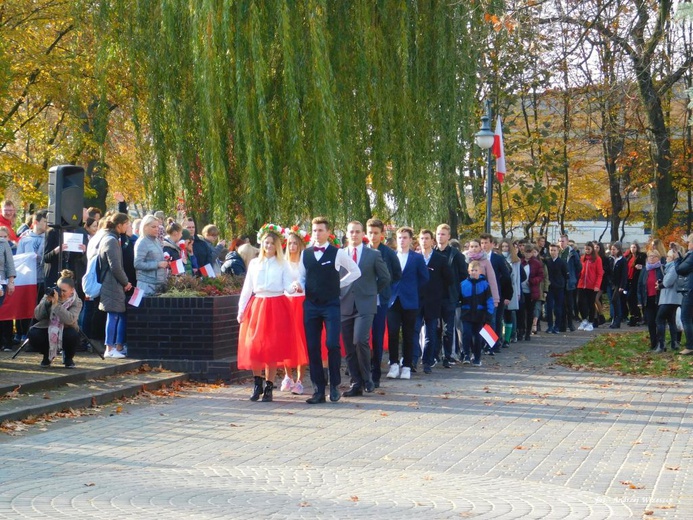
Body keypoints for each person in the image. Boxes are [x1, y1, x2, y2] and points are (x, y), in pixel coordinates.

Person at [298, 217, 360, 404]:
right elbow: (301, 277)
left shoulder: (337, 253)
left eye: (320, 230)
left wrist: (338, 284)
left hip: (331, 304)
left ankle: (334, 385)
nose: (317, 233)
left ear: (328, 232)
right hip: (311, 305)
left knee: (332, 344)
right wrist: (298, 286)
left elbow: (355, 271)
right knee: (313, 346)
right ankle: (318, 389)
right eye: (314, 230)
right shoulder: (305, 254)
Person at [237, 228, 299, 402]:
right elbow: (247, 288)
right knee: (254, 346)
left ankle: (270, 386)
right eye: (266, 242)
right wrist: (241, 309)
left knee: (271, 348)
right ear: (262, 244)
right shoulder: (255, 263)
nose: (269, 245)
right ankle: (257, 384)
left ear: (277, 246)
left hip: (276, 304)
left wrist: (295, 286)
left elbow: (287, 285)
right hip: (257, 305)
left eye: (272, 243)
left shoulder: (282, 263)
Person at [340, 221, 390, 396]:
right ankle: (356, 383)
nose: (354, 235)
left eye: (357, 232)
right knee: (348, 346)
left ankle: (367, 378)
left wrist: (372, 291)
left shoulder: (373, 254)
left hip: (365, 305)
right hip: (345, 304)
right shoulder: (340, 255)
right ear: (347, 234)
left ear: (363, 235)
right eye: (351, 232)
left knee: (360, 340)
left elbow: (385, 277)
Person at [386, 227, 428, 380]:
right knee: (392, 332)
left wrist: (413, 290)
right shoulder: (392, 256)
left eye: (405, 237)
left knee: (409, 334)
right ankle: (394, 364)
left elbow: (424, 277)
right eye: (399, 237)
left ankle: (407, 365)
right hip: (393, 299)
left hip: (410, 300)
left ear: (411, 240)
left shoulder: (416, 258)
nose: (402, 240)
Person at [366, 218, 401, 388]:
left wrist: (383, 287)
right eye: (370, 233)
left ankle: (376, 374)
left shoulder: (388, 253)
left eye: (376, 233)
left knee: (377, 337)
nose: (373, 236)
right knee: (361, 337)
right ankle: (362, 373)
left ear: (382, 235)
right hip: (362, 299)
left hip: (380, 300)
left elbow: (396, 274)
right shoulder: (362, 251)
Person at [28, 270, 82, 368]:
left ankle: (68, 357)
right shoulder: (50, 295)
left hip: (66, 329)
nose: (61, 293)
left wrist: (56, 305)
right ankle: (46, 356)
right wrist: (47, 303)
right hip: (47, 327)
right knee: (34, 334)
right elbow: (38, 316)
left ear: (71, 291)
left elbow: (70, 320)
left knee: (72, 335)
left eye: (64, 291)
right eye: (59, 289)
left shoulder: (76, 302)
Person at [280, 230, 310, 395]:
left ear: (300, 245)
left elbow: (307, 279)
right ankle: (287, 375)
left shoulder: (304, 262)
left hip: (301, 301)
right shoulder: (282, 262)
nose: (292, 246)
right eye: (290, 243)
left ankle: (300, 380)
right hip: (286, 301)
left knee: (301, 339)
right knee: (286, 338)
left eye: (295, 243)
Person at [98, 213, 133, 358]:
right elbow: (115, 266)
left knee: (115, 315)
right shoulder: (111, 241)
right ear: (119, 225)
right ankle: (109, 348)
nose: (128, 226)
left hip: (113, 282)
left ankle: (113, 347)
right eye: (126, 224)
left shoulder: (111, 238)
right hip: (112, 283)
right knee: (112, 315)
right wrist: (126, 282)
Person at [416, 229, 451, 373]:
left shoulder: (440, 259)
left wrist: (438, 292)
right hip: (416, 300)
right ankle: (413, 359)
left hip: (433, 301)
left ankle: (427, 361)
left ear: (432, 241)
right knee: (414, 331)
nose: (424, 241)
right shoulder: (414, 257)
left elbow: (449, 279)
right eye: (422, 238)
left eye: (427, 238)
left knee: (431, 332)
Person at [436, 224, 468, 365]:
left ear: (448, 237)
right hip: (434, 296)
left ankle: (448, 355)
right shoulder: (432, 253)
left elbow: (463, 275)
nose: (440, 236)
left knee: (449, 328)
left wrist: (458, 294)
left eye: (443, 234)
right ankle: (434, 354)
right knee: (434, 327)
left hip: (450, 295)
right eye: (438, 234)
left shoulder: (456, 255)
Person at [459, 261, 494, 366]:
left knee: (478, 337)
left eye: (476, 270)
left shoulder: (485, 285)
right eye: (472, 270)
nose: (473, 272)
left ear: (480, 271)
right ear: (468, 271)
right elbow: (458, 298)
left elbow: (489, 300)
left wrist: (489, 314)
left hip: (480, 315)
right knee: (466, 334)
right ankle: (466, 354)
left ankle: (477, 356)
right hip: (467, 314)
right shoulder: (463, 284)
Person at [655, 249, 682, 352]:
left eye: (668, 256)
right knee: (671, 320)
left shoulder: (673, 267)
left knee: (659, 319)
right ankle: (674, 343)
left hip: (670, 298)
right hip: (672, 298)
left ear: (671, 258)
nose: (666, 258)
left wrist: (660, 285)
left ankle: (661, 344)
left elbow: (668, 282)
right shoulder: (671, 267)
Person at [134, 215, 169, 296]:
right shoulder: (142, 242)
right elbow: (137, 264)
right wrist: (157, 264)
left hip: (157, 284)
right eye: (153, 227)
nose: (157, 229)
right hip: (146, 286)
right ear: (145, 227)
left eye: (157, 227)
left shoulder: (156, 240)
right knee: (144, 308)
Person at [637, 250, 665, 351]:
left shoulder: (661, 269)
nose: (652, 258)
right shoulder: (645, 270)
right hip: (647, 299)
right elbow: (640, 286)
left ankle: (660, 343)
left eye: (654, 256)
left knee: (659, 322)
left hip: (659, 299)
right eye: (650, 256)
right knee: (650, 322)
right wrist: (639, 301)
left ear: (658, 258)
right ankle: (653, 343)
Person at [577, 242, 604, 332]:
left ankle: (591, 322)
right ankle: (584, 319)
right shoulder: (582, 258)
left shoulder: (597, 259)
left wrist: (597, 285)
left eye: (589, 249)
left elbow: (600, 273)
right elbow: (580, 270)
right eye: (586, 249)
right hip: (581, 284)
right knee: (580, 302)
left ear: (592, 249)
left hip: (592, 285)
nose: (587, 251)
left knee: (591, 303)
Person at [500, 239, 521, 348]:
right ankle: (499, 337)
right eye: (502, 247)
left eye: (506, 247)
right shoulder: (498, 258)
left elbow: (517, 278)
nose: (504, 249)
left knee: (509, 314)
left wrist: (518, 293)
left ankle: (507, 339)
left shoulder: (515, 260)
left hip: (511, 288)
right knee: (499, 315)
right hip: (500, 288)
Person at [521, 244, 545, 340]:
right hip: (521, 290)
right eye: (526, 252)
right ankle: (521, 330)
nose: (528, 254)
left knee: (530, 312)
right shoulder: (520, 262)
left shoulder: (536, 263)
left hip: (532, 290)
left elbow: (541, 276)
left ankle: (528, 332)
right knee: (521, 312)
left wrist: (533, 281)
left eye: (529, 252)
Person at [559, 234, 582, 332]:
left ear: (567, 241)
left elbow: (579, 267)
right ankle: (562, 324)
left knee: (569, 304)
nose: (561, 243)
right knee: (561, 304)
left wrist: (572, 276)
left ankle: (570, 323)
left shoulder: (572, 253)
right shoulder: (557, 252)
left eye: (563, 241)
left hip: (570, 282)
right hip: (560, 282)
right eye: (560, 241)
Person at [545, 243, 568, 334]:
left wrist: (562, 283)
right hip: (550, 288)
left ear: (558, 251)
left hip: (559, 288)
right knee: (549, 307)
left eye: (554, 250)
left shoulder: (562, 262)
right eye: (551, 250)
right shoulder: (547, 261)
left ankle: (557, 326)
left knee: (558, 308)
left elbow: (565, 274)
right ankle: (550, 325)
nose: (553, 252)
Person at [676, 236, 693, 356]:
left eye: (689, 242)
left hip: (690, 289)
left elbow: (680, 269)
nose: (687, 244)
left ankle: (690, 346)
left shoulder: (692, 255)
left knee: (686, 318)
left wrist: (677, 259)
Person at [608, 242, 628, 329]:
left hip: (619, 284)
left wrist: (622, 286)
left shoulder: (622, 260)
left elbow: (624, 274)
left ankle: (618, 319)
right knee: (614, 302)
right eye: (611, 249)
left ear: (618, 250)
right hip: (612, 283)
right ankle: (615, 320)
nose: (612, 251)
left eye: (614, 249)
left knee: (615, 300)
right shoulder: (611, 259)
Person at [626, 242, 647, 326]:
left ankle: (638, 315)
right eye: (631, 247)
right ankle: (635, 315)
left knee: (634, 297)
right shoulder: (629, 257)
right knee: (630, 298)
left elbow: (644, 265)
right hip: (629, 279)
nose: (632, 249)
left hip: (637, 279)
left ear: (637, 248)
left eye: (634, 247)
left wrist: (641, 266)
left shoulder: (641, 256)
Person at [594, 242, 610, 327]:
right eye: (595, 247)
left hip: (601, 282)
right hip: (594, 281)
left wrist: (602, 270)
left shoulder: (604, 258)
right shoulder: (593, 258)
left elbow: (606, 269)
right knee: (596, 300)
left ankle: (601, 315)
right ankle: (596, 318)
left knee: (596, 298)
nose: (596, 249)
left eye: (597, 247)